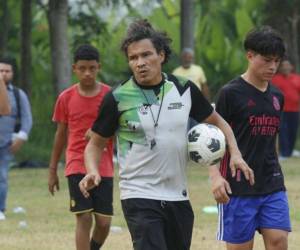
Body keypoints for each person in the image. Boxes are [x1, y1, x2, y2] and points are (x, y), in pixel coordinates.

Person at [79, 20, 254, 250]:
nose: (140, 63)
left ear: (161, 55)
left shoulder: (184, 89)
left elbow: (220, 123)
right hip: (138, 194)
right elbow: (95, 144)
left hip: (178, 196)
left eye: (146, 55)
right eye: (133, 58)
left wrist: (236, 154)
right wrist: (92, 170)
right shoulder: (117, 98)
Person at [214, 26, 291, 250]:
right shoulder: (230, 93)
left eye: (276, 61)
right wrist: (215, 177)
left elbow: (272, 139)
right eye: (267, 60)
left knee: (279, 241)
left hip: (272, 183)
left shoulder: (277, 96)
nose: (273, 67)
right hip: (237, 187)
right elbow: (213, 140)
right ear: (250, 55)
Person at [48, 45, 114, 250]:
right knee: (84, 218)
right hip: (75, 163)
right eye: (83, 68)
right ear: (74, 68)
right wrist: (52, 170)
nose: (87, 73)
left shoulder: (110, 96)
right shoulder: (65, 98)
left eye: (92, 68)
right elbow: (60, 135)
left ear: (99, 68)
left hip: (103, 165)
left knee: (103, 223)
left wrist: (100, 133)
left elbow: (118, 129)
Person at [0, 57, 32, 220]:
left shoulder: (18, 95)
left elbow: (27, 119)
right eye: (1, 71)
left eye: (7, 71)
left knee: (2, 175)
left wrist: (21, 137)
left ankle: (0, 209)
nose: (3, 74)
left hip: (6, 142)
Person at [272, 58, 300, 159]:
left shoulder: (297, 78)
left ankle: (291, 151)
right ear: (280, 68)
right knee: (283, 131)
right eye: (283, 66)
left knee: (293, 131)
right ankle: (284, 153)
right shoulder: (275, 79)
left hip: (295, 110)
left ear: (291, 67)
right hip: (281, 110)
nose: (285, 67)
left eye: (287, 65)